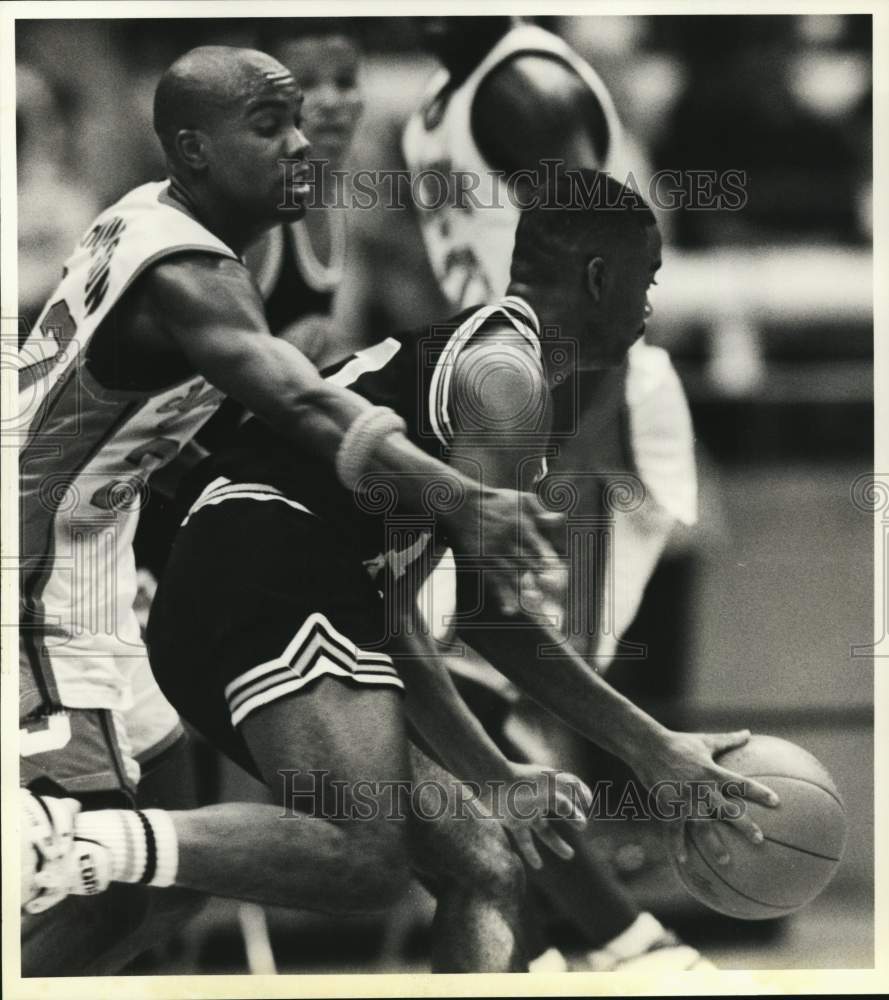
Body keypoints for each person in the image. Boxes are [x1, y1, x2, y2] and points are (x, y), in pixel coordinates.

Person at [141, 171, 778, 971]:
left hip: (235, 580)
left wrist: (492, 776)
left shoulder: (478, 361)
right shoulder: (506, 380)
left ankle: (98, 850)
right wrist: (653, 749)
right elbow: (489, 614)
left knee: (484, 864)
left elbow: (400, 628)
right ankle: (97, 842)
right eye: (645, 280)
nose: (649, 306)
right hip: (263, 563)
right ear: (596, 276)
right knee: (360, 856)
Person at [17, 44, 562, 974]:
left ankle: (64, 852)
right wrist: (460, 497)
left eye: (300, 121)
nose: (301, 144)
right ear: (192, 148)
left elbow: (163, 416)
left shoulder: (151, 220)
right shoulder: (191, 273)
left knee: (164, 887)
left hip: (92, 567)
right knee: (320, 859)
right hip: (35, 579)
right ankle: (48, 843)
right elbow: (305, 405)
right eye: (270, 128)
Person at [390, 15, 706, 970]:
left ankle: (623, 945)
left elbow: (596, 269)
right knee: (461, 697)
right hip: (508, 410)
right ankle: (613, 947)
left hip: (582, 416)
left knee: (472, 684)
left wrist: (537, 455)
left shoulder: (525, 85)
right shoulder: (440, 102)